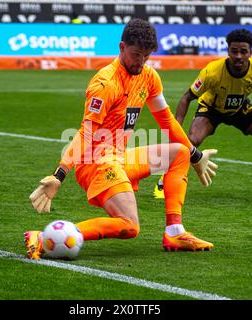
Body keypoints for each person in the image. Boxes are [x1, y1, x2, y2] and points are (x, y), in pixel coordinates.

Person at [25, 19, 218, 259]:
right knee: (129, 225)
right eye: (137, 55)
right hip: (95, 163)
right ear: (121, 47)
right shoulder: (105, 84)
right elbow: (85, 132)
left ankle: (175, 232)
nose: (141, 62)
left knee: (179, 152)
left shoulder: (148, 76)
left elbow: (166, 120)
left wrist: (195, 155)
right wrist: (59, 174)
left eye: (146, 56)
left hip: (117, 157)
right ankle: (45, 238)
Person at [153, 28, 252, 199]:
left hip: (239, 109)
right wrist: (174, 130)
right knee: (190, 142)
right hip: (211, 109)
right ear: (228, 51)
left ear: (250, 52)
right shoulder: (212, 71)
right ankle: (165, 180)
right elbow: (186, 98)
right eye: (234, 51)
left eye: (243, 51)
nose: (239, 56)